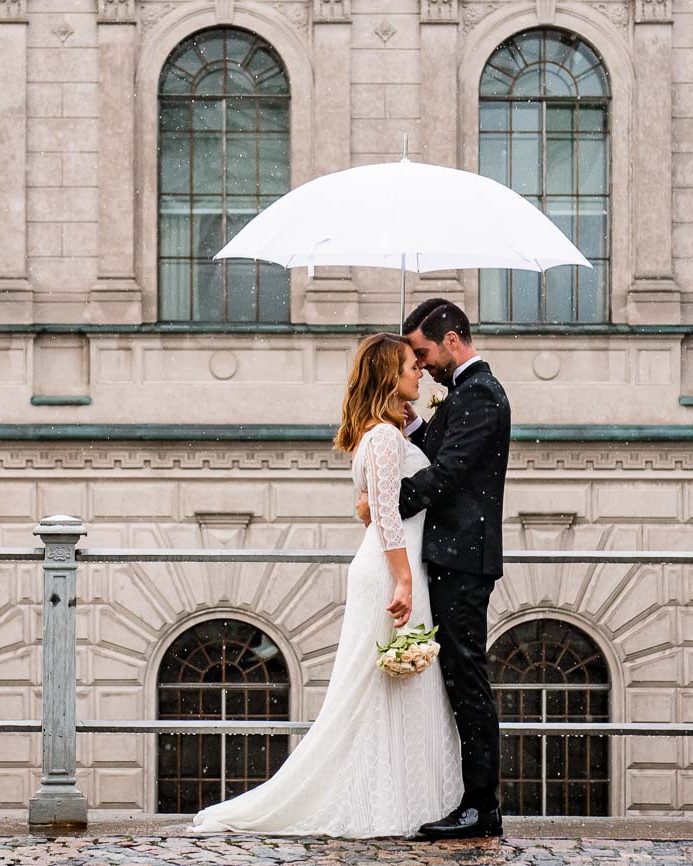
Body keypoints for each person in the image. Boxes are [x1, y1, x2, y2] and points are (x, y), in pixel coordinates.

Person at [190, 333, 461, 838]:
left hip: (394, 566)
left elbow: (376, 503)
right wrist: (403, 579)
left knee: (389, 690)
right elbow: (383, 512)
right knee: (380, 688)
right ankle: (382, 802)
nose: (418, 373)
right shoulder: (382, 437)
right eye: (409, 366)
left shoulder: (384, 433)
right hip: (391, 570)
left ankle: (395, 799)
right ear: (388, 377)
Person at [356, 298, 510, 839]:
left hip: (463, 558)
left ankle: (480, 807)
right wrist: (411, 424)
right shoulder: (465, 395)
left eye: (422, 352)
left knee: (467, 678)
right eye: (411, 360)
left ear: (451, 339)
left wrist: (383, 500)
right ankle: (467, 799)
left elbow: (443, 476)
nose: (420, 365)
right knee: (456, 678)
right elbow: (434, 452)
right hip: (450, 556)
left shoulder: (481, 395)